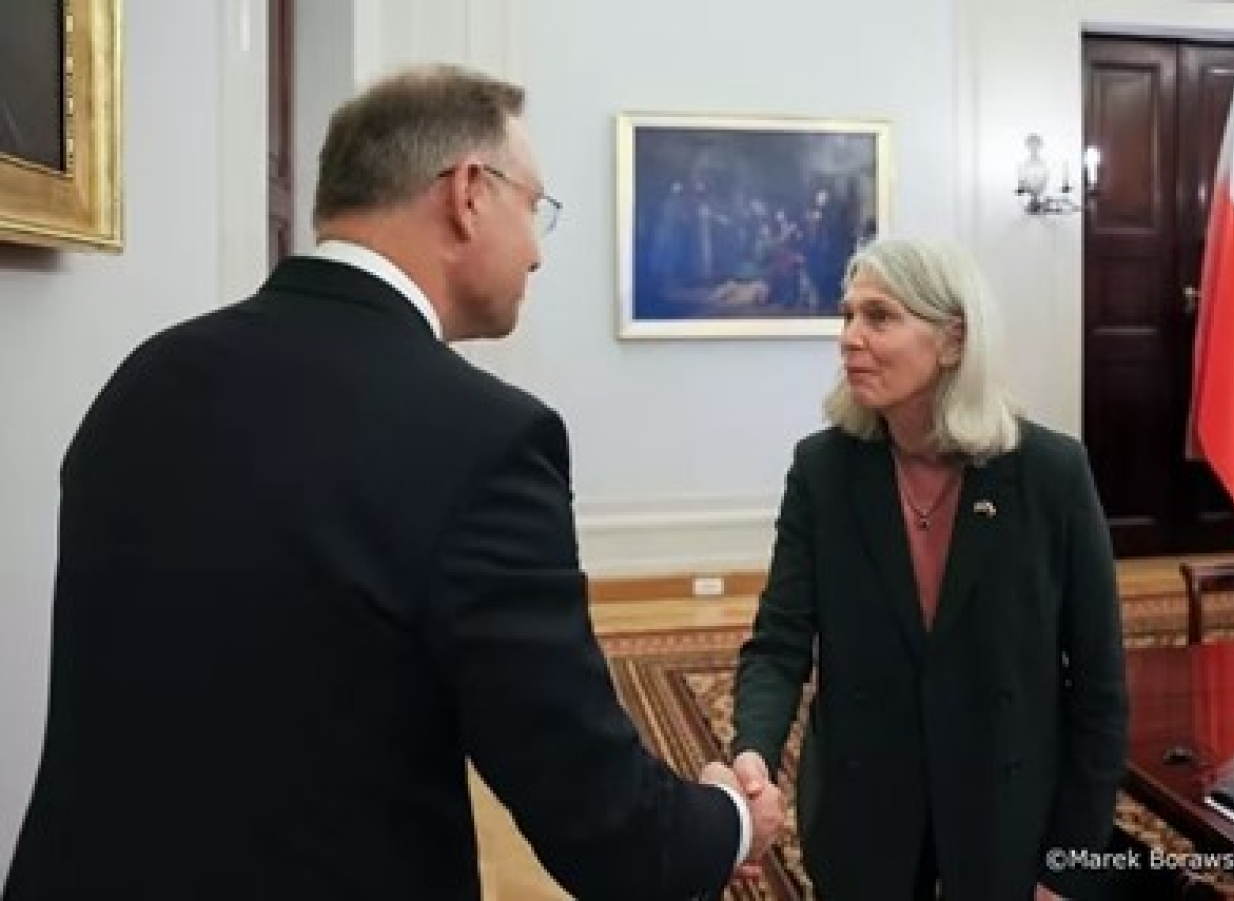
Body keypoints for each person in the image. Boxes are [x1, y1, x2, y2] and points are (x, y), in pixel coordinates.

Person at [2, 64, 783, 901]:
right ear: (469, 193)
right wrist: (729, 818)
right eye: (537, 208)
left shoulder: (146, 378)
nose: (539, 251)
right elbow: (602, 820)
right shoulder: (486, 438)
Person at [729, 237, 1128, 900]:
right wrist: (754, 753)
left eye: (880, 316)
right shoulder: (822, 471)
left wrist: (1070, 860)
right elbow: (779, 643)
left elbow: (1099, 685)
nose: (850, 337)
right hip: (865, 812)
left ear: (952, 340)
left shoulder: (1051, 473)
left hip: (1006, 807)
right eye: (847, 315)